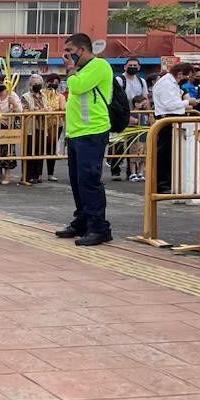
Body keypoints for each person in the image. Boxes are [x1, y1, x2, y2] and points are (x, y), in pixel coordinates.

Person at [54, 33, 113, 246]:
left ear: (82, 49)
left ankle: (99, 227)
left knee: (89, 181)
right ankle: (82, 221)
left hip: (93, 132)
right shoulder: (80, 71)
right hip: (76, 133)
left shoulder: (99, 66)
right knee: (78, 182)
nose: (66, 55)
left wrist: (70, 69)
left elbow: (78, 87)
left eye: (69, 51)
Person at [150, 62, 197, 195]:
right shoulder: (167, 83)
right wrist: (188, 102)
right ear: (180, 74)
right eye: (186, 77)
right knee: (165, 153)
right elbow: (169, 104)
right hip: (167, 119)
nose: (185, 80)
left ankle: (166, 182)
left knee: (169, 153)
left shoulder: (171, 83)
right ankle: (162, 184)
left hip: (171, 119)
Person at [0, 82, 23, 186]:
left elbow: (20, 110)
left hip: (8, 127)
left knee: (7, 151)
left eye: (1, 82)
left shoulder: (12, 95)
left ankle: (7, 175)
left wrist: (14, 103)